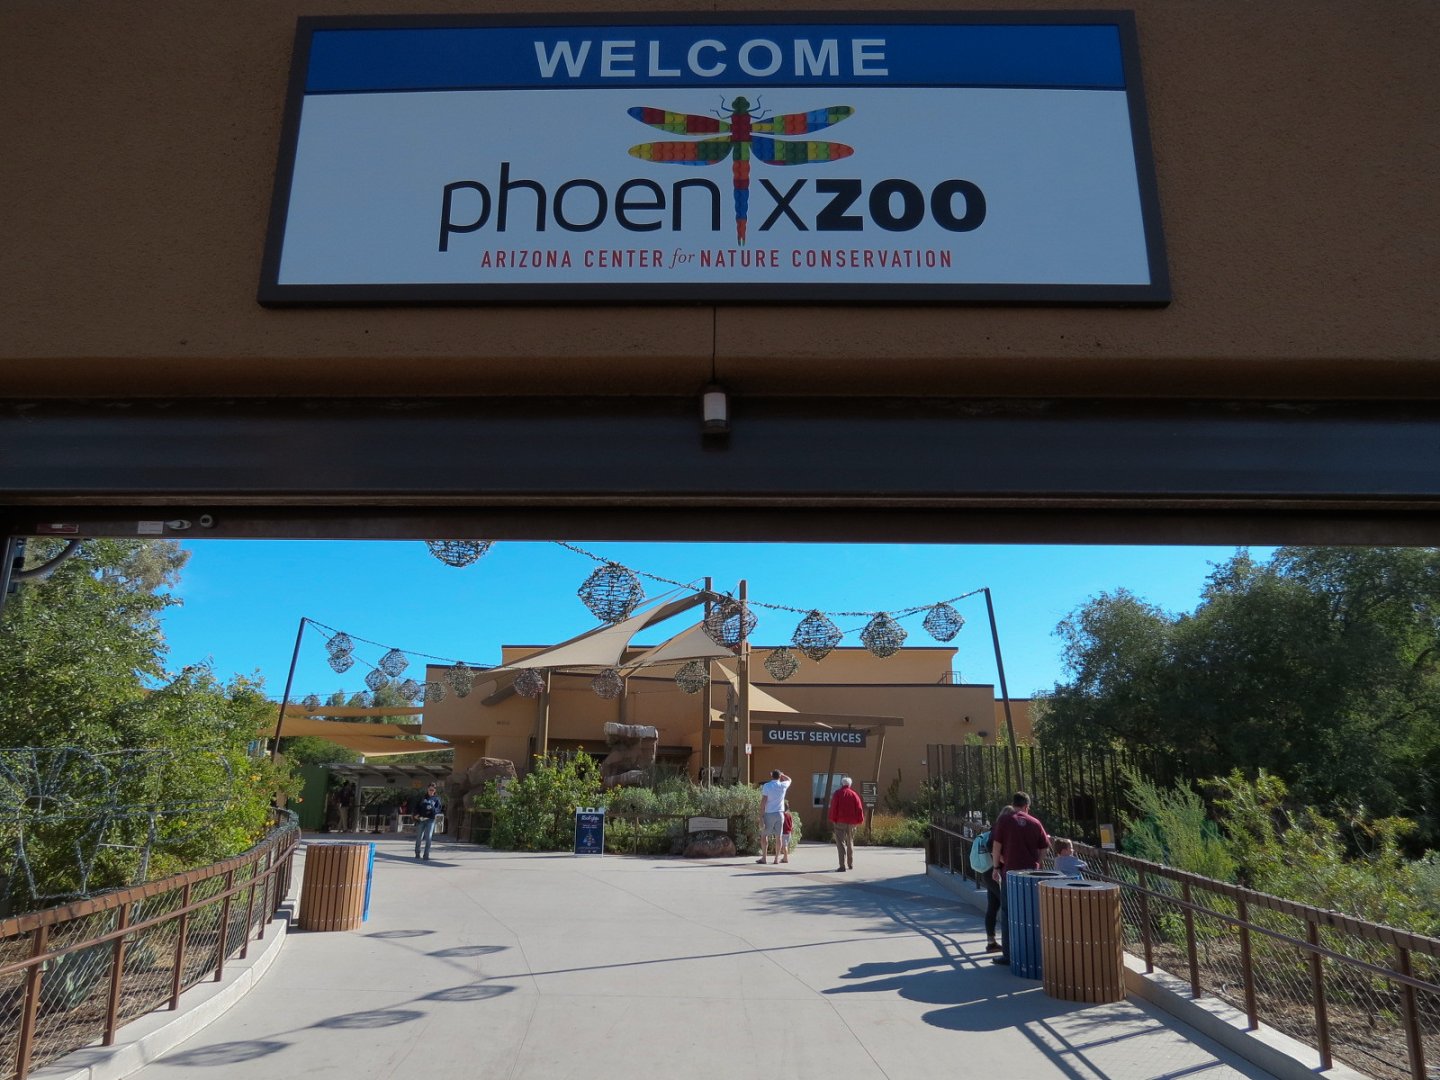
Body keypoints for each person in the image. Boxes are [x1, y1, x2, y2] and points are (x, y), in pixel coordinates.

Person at [989, 791, 1050, 966]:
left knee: (1009, 913)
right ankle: (1035, 953)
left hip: (1011, 873)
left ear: (1013, 804)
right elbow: (1044, 846)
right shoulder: (1035, 822)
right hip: (1032, 875)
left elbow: (997, 845)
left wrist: (995, 867)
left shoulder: (1004, 820)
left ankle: (1008, 955)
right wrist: (1037, 861)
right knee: (1033, 912)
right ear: (1026, 806)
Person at [977, 805, 1015, 951]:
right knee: (1007, 906)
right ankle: (1008, 943)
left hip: (989, 871)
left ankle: (991, 941)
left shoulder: (997, 826)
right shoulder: (1000, 828)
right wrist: (1000, 861)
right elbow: (990, 845)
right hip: (995, 871)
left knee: (993, 906)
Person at [828, 776, 865, 872]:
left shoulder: (837, 794)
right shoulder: (854, 794)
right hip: (852, 822)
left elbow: (833, 807)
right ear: (850, 784)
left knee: (840, 843)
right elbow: (859, 808)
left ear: (842, 783)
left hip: (840, 821)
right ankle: (850, 863)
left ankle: (842, 865)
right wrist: (860, 820)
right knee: (850, 841)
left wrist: (833, 819)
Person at [756, 769, 791, 865]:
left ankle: (764, 858)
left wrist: (760, 815)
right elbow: (789, 779)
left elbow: (764, 800)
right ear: (779, 777)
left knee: (764, 835)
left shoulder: (767, 786)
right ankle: (776, 859)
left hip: (769, 813)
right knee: (778, 837)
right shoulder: (783, 785)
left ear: (771, 776)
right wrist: (783, 775)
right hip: (780, 813)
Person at [413, 783, 443, 860]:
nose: (431, 791)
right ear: (427, 789)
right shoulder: (423, 798)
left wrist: (432, 810)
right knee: (419, 837)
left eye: (433, 790)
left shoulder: (437, 799)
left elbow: (438, 809)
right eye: (430, 790)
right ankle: (417, 853)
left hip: (430, 820)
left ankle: (426, 855)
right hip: (421, 819)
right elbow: (416, 807)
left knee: (429, 837)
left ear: (435, 790)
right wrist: (416, 814)